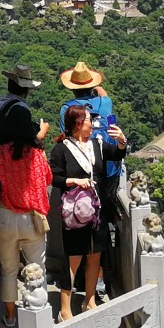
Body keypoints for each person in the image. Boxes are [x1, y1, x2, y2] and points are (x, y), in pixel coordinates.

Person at [57, 62, 129, 298]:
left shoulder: (67, 109)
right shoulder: (104, 102)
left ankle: (77, 279)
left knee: (78, 224)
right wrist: (98, 89)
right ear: (93, 84)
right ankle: (98, 279)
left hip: (80, 175)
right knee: (102, 225)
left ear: (72, 88)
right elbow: (104, 94)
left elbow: (67, 136)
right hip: (107, 172)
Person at [0, 99, 51, 328]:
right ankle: (38, 310)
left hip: (5, 215)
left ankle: (10, 315)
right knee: (37, 266)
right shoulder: (38, 156)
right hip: (32, 218)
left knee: (8, 269)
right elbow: (48, 180)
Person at [51, 103, 117, 319]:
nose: (93, 124)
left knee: (94, 256)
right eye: (89, 120)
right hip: (75, 212)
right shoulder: (61, 149)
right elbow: (55, 177)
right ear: (78, 123)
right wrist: (75, 181)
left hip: (97, 209)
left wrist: (122, 141)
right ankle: (65, 307)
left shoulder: (96, 144)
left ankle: (89, 300)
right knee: (74, 258)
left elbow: (117, 154)